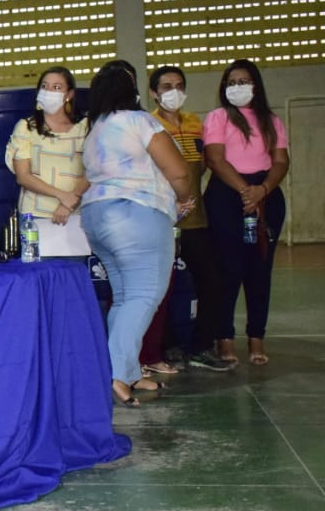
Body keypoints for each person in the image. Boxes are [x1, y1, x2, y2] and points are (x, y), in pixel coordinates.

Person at [80, 62, 194, 407]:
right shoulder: (140, 121)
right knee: (144, 295)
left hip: (97, 218)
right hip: (136, 216)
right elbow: (179, 170)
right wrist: (183, 197)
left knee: (125, 297)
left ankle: (127, 371)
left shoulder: (95, 129)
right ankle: (115, 374)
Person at [202, 59, 290, 366]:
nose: (237, 87)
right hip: (227, 195)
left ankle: (256, 337)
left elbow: (281, 161)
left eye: (243, 81)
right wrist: (245, 191)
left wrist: (261, 190)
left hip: (266, 195)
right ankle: (224, 337)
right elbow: (215, 159)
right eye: (231, 82)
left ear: (255, 85)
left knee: (260, 269)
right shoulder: (218, 117)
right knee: (228, 269)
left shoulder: (271, 120)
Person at [147, 66, 231, 373]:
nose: (174, 91)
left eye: (179, 85)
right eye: (166, 86)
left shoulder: (196, 123)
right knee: (162, 287)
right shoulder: (148, 125)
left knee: (212, 281)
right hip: (163, 220)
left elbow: (202, 166)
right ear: (154, 93)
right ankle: (168, 346)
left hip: (196, 221)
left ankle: (201, 346)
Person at [4, 66, 91, 255]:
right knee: (38, 270)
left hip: (76, 214)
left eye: (57, 87)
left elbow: (93, 170)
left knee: (74, 270)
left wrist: (69, 202)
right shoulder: (26, 127)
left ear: (69, 95)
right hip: (35, 216)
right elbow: (23, 176)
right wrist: (62, 196)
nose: (49, 91)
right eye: (45, 86)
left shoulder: (85, 127)